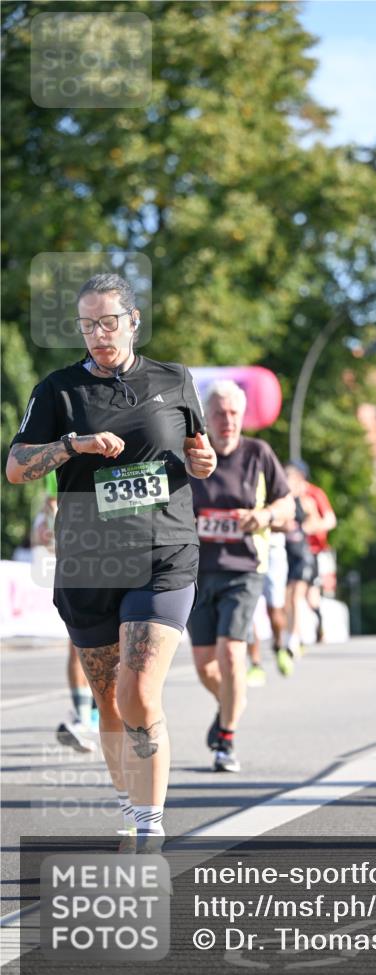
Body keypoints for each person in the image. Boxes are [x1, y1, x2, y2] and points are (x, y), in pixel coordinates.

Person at [6, 272, 217, 843]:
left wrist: (205, 464)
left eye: (109, 322)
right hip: (89, 559)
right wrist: (73, 444)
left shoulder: (174, 379)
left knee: (138, 690)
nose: (98, 334)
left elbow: (199, 454)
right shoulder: (58, 390)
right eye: (87, 325)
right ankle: (130, 805)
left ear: (134, 322)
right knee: (108, 699)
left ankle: (149, 829)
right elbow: (17, 467)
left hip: (164, 551)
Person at [187, 380, 294, 773]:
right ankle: (229, 704)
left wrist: (263, 517)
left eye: (233, 413)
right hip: (197, 571)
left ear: (242, 417)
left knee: (231, 653)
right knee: (204, 665)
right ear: (207, 417)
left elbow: (287, 505)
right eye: (218, 413)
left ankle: (226, 741)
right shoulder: (193, 455)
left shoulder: (258, 453)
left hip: (243, 569)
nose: (226, 420)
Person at [31, 478, 99, 753]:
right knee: (79, 645)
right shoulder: (60, 458)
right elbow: (49, 509)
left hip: (119, 561)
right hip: (81, 565)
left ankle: (95, 713)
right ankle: (83, 717)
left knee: (110, 651)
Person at [285, 460, 337, 645]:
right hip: (291, 551)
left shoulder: (314, 494)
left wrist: (308, 528)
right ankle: (294, 636)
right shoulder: (284, 493)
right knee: (292, 594)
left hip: (313, 551)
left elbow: (330, 520)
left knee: (310, 596)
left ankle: (317, 625)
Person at [247, 530, 294, 686]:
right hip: (246, 549)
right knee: (248, 610)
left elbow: (288, 522)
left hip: (272, 551)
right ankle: (255, 664)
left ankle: (279, 646)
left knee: (274, 609)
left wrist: (264, 517)